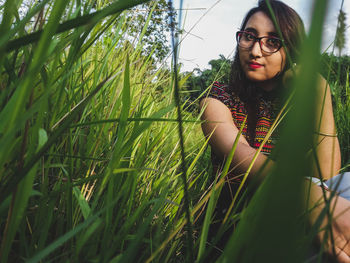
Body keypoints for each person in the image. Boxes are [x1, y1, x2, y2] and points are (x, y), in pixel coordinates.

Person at [199, 0, 350, 262]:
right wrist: (305, 195)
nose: (256, 50)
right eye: (249, 36)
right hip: (240, 227)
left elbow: (326, 176)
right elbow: (241, 153)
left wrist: (319, 91)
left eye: (272, 41)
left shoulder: (299, 106)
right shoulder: (218, 98)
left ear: (292, 50)